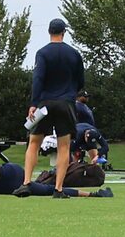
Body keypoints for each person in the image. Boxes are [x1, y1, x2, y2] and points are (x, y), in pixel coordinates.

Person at [18, 19, 89, 199]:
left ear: (49, 32)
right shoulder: (74, 54)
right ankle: (58, 189)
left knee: (34, 142)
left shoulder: (42, 53)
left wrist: (34, 103)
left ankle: (26, 183)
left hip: (45, 103)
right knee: (64, 146)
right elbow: (81, 80)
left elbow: (38, 79)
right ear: (64, 32)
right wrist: (72, 91)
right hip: (66, 103)